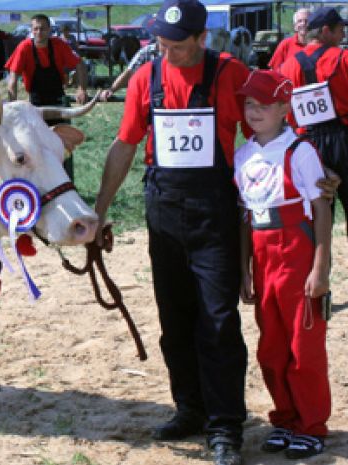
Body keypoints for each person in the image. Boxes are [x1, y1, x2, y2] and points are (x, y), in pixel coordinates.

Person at [91, 1, 251, 464]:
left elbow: (264, 123)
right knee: (174, 317)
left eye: (176, 46)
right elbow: (124, 146)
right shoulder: (146, 77)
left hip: (214, 208)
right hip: (162, 207)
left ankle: (225, 427)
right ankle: (190, 409)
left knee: (218, 320)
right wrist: (99, 210)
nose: (167, 51)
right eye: (161, 42)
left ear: (202, 39)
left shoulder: (230, 73)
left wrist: (295, 167)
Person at [234, 69, 332, 461]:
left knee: (302, 343)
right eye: (249, 103)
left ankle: (311, 425)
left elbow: (322, 209)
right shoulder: (243, 154)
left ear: (284, 107)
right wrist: (244, 267)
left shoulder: (300, 151)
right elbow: (244, 214)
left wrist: (321, 267)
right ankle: (285, 418)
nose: (255, 111)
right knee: (271, 346)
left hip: (296, 247)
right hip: (261, 252)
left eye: (265, 104)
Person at [278, 7, 348, 303]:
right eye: (340, 29)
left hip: (307, 145)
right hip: (343, 139)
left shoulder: (289, 66)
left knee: (315, 216)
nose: (344, 34)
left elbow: (278, 105)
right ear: (325, 31)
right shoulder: (345, 57)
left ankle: (315, 281)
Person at [5, 14, 88, 109]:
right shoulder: (24, 47)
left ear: (49, 29)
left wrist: (82, 89)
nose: (39, 32)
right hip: (36, 103)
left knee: (63, 124)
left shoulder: (59, 44)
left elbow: (80, 64)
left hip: (58, 99)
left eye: (42, 29)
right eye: (35, 29)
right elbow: (13, 78)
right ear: (31, 30)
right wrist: (12, 105)